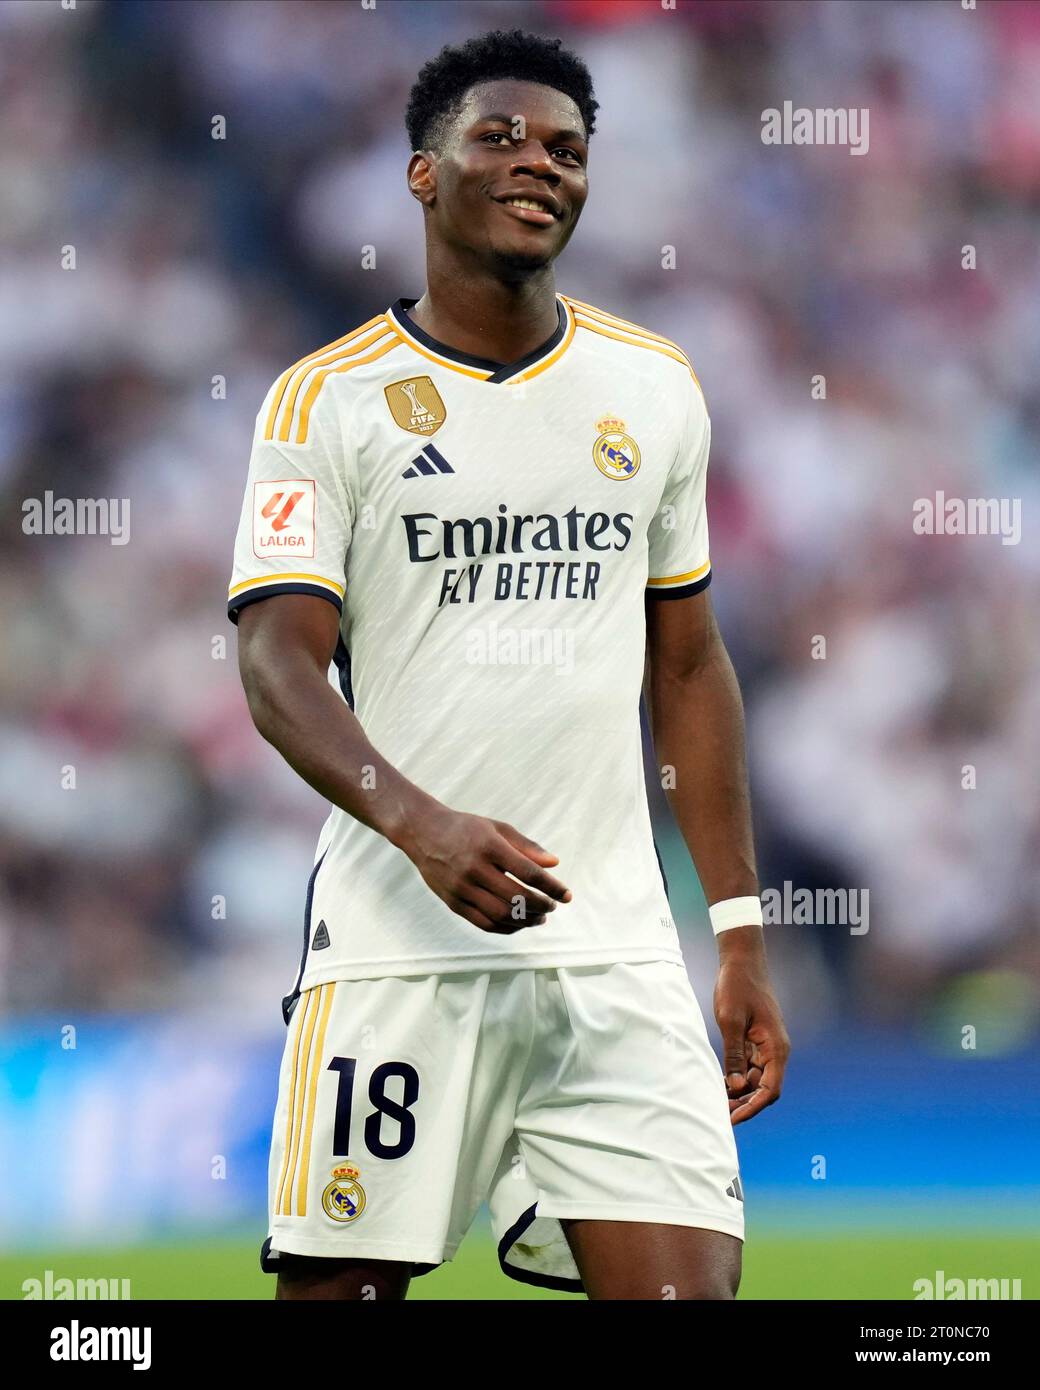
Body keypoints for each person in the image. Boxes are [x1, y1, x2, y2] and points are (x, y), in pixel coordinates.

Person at [228, 28, 789, 1301]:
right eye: (501, 136)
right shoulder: (327, 400)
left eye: (568, 149)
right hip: (395, 954)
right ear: (422, 175)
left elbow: (689, 669)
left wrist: (740, 933)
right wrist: (420, 826)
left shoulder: (652, 390)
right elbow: (275, 661)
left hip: (615, 959)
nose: (540, 163)